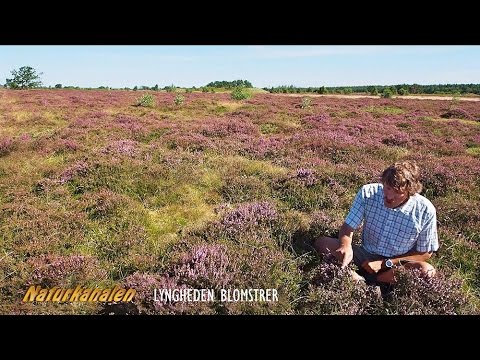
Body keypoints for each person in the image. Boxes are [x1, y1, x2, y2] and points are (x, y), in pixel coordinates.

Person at [314, 160, 438, 284]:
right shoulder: (368, 193)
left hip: (396, 264)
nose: (389, 196)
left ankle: (367, 281)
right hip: (364, 255)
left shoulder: (425, 210)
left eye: (398, 193)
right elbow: (348, 226)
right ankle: (359, 280)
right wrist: (345, 246)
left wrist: (385, 263)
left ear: (410, 192)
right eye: (387, 188)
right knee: (322, 243)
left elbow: (425, 252)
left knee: (427, 270)